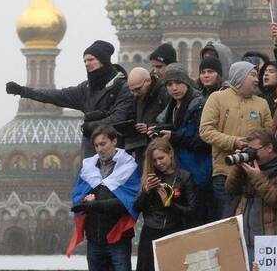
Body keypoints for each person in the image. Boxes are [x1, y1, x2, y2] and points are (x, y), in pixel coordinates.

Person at [6, 40, 135, 159]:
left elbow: (120, 117)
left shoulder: (122, 86)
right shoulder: (86, 88)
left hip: (116, 153)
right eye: (85, 61)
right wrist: (24, 91)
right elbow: (57, 95)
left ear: (104, 61)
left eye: (91, 60)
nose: (87, 64)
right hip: (91, 155)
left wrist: (92, 126)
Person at [199, 60, 275, 220]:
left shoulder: (262, 103)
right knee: (227, 221)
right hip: (225, 173)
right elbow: (205, 131)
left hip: (254, 174)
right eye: (252, 75)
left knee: (252, 221)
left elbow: (270, 135)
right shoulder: (217, 98)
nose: (257, 79)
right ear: (240, 76)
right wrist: (233, 142)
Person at [69, 126, 141, 271]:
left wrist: (94, 205)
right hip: (94, 238)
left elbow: (128, 203)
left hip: (119, 237)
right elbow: (78, 197)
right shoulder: (88, 168)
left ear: (114, 141)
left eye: (103, 144)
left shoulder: (129, 167)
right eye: (96, 145)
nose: (99, 149)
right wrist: (84, 201)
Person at [152, 63, 212, 224]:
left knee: (197, 220)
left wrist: (173, 136)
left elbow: (202, 139)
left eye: (177, 83)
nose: (174, 88)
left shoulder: (199, 104)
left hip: (197, 171)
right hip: (181, 171)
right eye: (169, 84)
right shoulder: (172, 107)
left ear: (186, 82)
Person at [226, 130, 277, 260]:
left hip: (270, 242)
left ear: (269, 148)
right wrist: (238, 167)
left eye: (254, 150)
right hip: (245, 237)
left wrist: (258, 178)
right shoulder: (249, 166)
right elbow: (230, 190)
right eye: (248, 149)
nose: (251, 153)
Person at [133, 138, 196, 271]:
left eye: (161, 158)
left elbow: (192, 211)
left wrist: (169, 203)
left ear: (170, 153)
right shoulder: (151, 176)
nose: (158, 163)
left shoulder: (185, 176)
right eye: (154, 160)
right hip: (150, 232)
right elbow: (136, 208)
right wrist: (146, 191)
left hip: (173, 231)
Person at [127, 66, 167, 166]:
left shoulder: (164, 93)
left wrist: (149, 127)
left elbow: (173, 122)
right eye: (132, 91)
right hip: (142, 149)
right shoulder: (137, 97)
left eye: (138, 89)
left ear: (148, 81)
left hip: (160, 151)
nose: (135, 93)